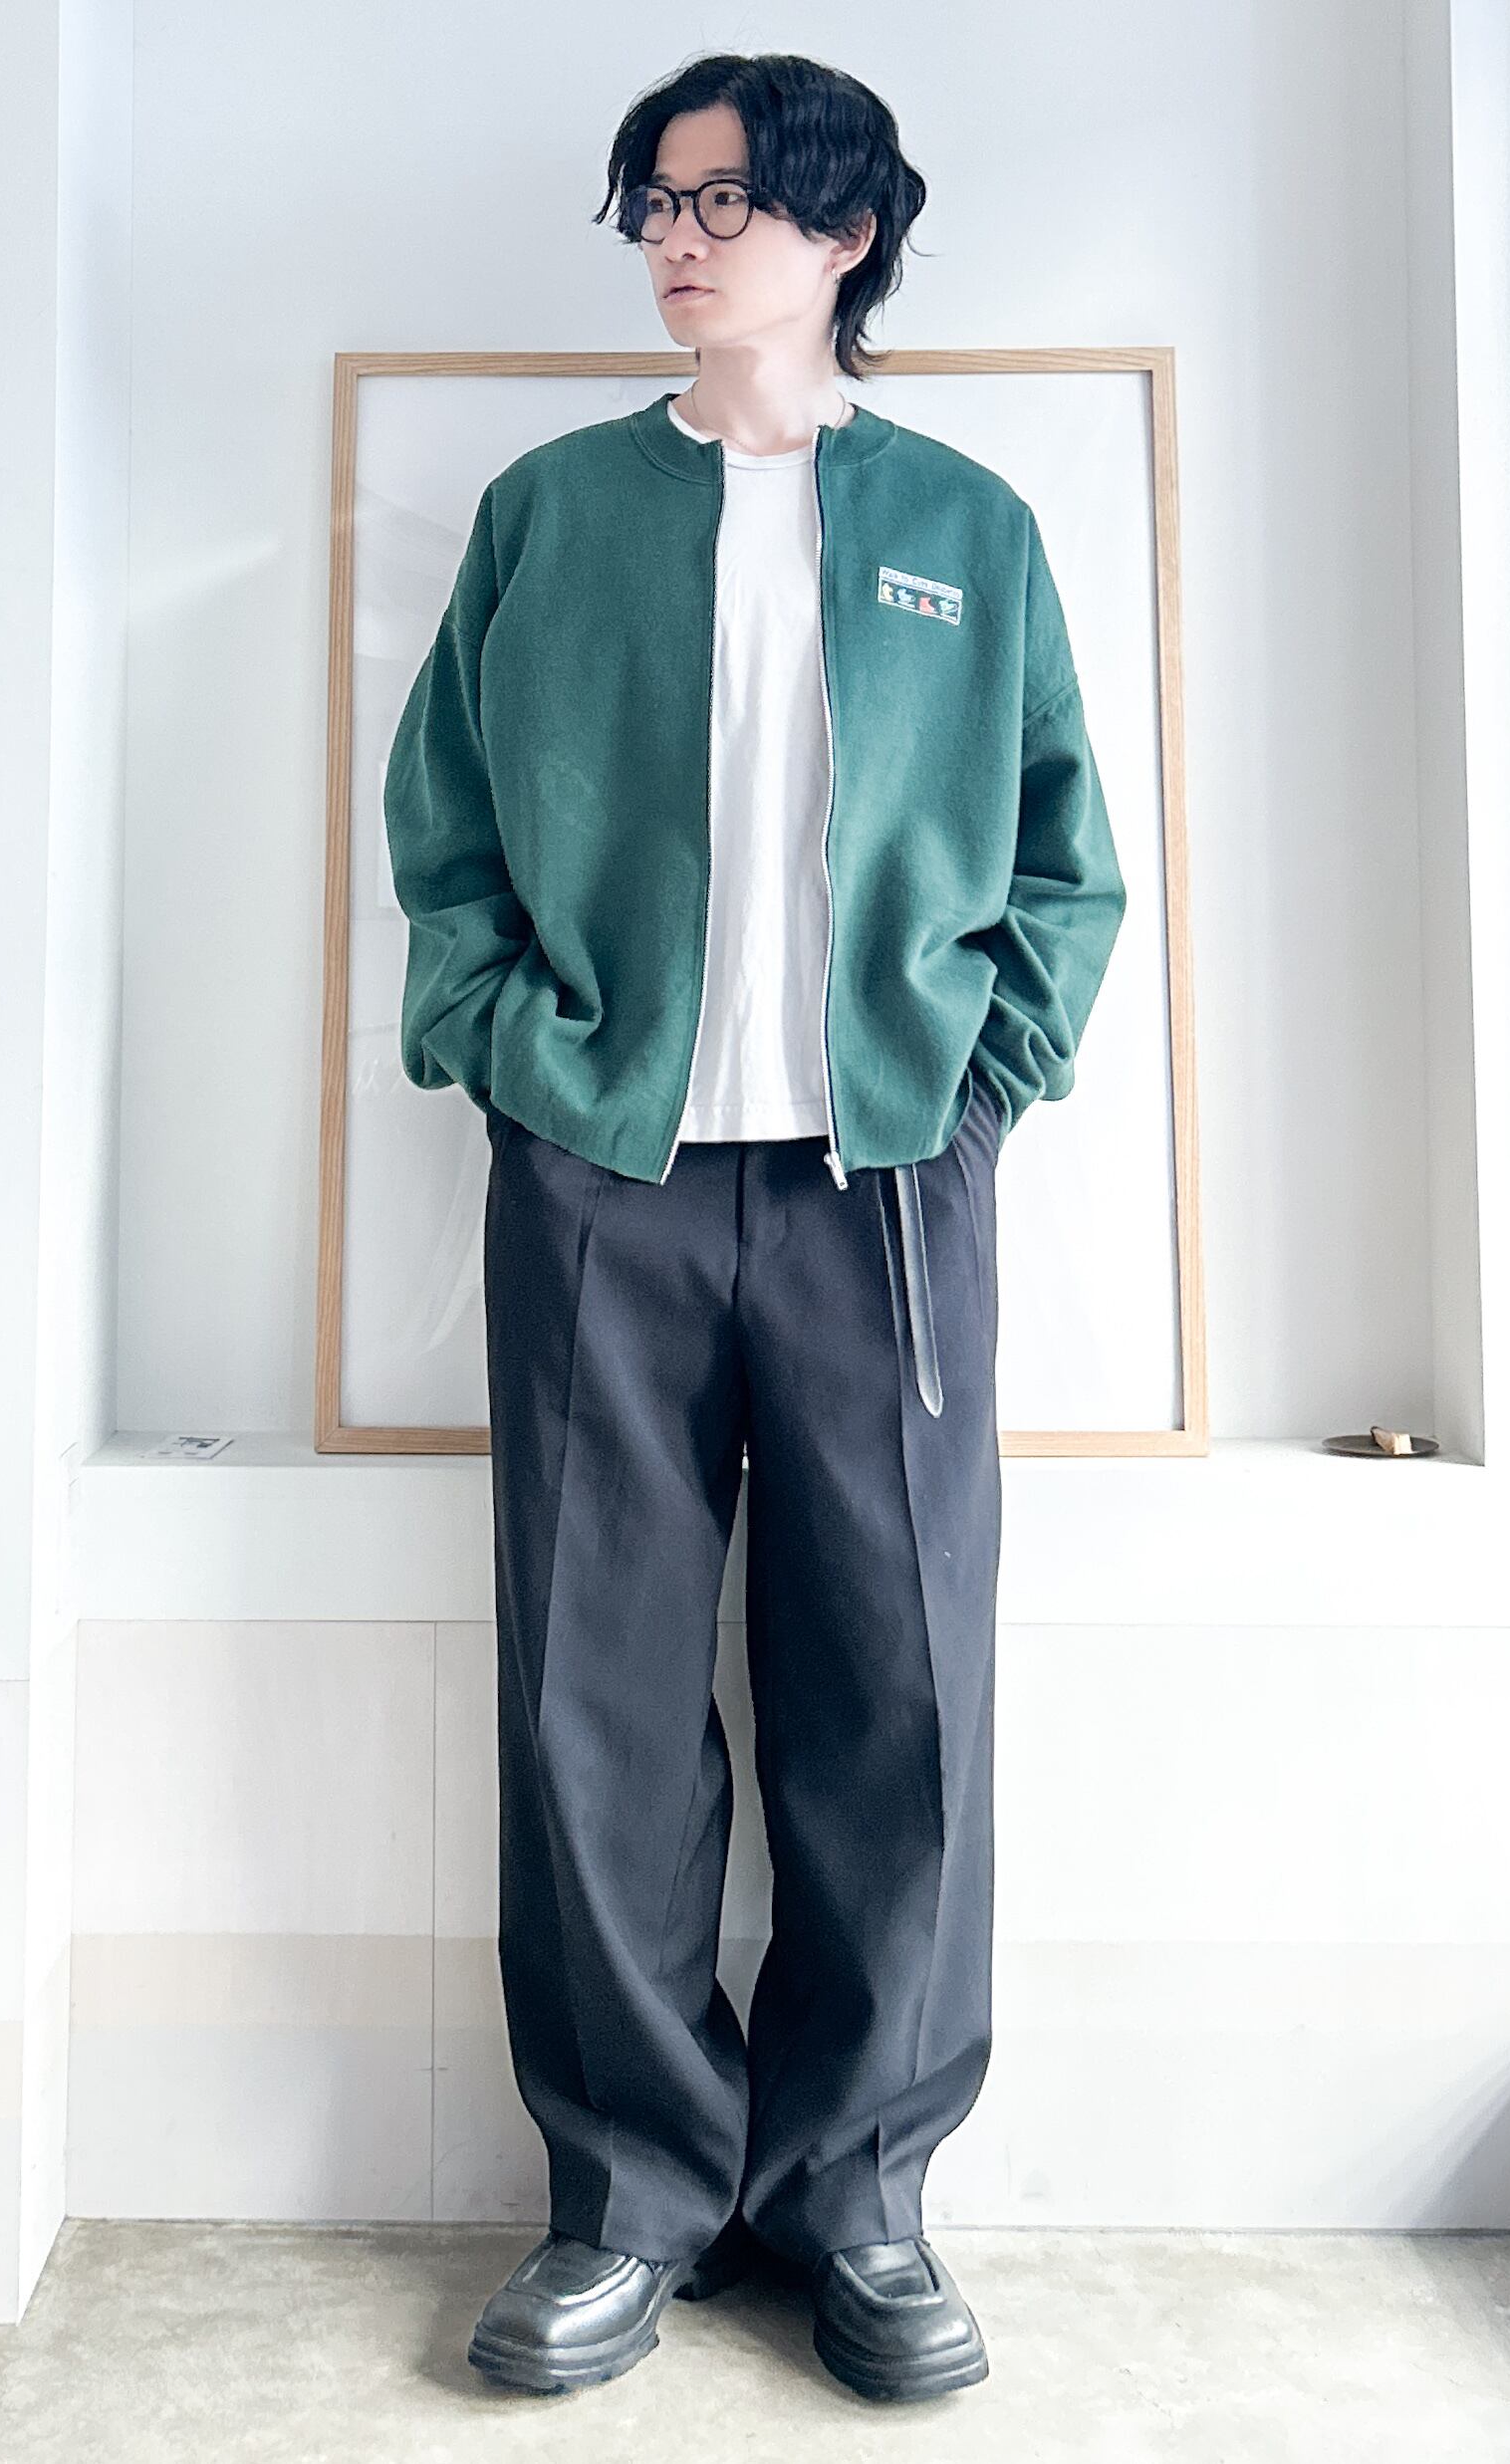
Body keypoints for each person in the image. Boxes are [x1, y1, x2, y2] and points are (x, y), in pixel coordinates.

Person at [381, 50, 1127, 2405]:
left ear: (845, 236)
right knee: (591, 1697)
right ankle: (626, 2195)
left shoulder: (965, 527)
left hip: (883, 1192)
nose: (679, 240)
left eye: (726, 202)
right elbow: (443, 827)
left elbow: (1068, 865)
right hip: (602, 1176)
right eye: (658, 203)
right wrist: (509, 1046)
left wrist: (977, 1087)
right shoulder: (553, 511)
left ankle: (862, 2195)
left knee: (899, 1694)